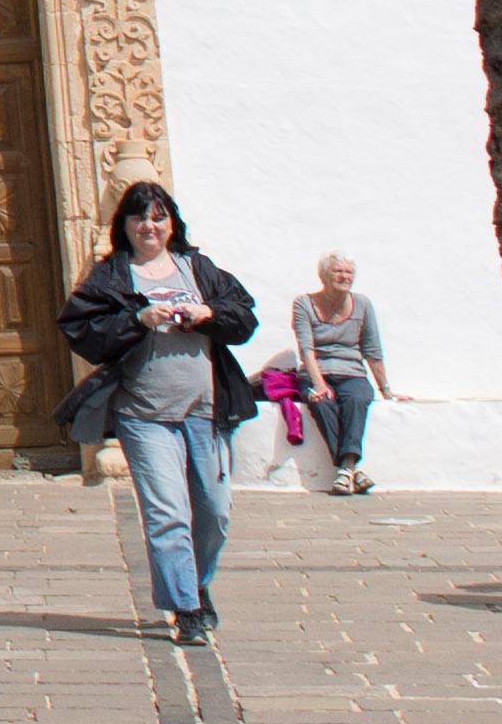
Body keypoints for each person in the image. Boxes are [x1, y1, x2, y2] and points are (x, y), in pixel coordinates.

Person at [62, 178, 258, 643]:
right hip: (144, 415)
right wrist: (136, 319)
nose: (149, 226)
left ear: (171, 223)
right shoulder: (113, 276)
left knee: (214, 511)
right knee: (166, 512)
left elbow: (244, 316)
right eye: (139, 217)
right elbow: (80, 329)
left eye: (158, 217)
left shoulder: (197, 268)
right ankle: (185, 607)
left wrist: (208, 314)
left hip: (206, 410)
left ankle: (197, 582)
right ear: (124, 225)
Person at [293, 256, 395, 495]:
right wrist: (319, 384)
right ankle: (351, 469)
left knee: (357, 398)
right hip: (316, 372)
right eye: (337, 271)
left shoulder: (363, 304)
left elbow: (373, 350)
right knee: (322, 403)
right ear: (323, 275)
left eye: (349, 272)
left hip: (352, 372)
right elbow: (306, 349)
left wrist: (386, 390)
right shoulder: (303, 303)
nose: (344, 276)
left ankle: (345, 469)